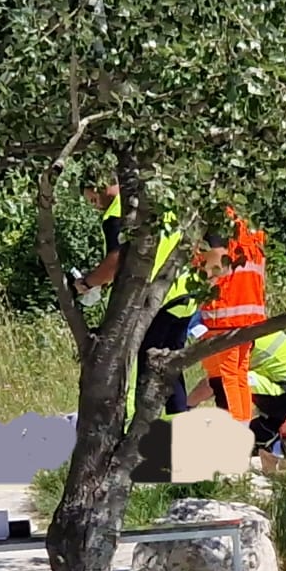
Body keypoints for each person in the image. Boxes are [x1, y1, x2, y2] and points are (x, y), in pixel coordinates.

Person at [78, 175, 199, 421]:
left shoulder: (118, 213)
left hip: (155, 299)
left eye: (92, 199)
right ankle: (179, 427)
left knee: (137, 367)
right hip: (185, 293)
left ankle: (132, 430)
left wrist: (86, 283)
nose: (95, 206)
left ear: (102, 185)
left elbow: (115, 260)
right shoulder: (156, 202)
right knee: (171, 366)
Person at [193, 206, 268, 425]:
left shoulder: (217, 220)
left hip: (222, 316)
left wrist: (196, 296)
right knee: (238, 376)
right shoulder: (249, 230)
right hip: (249, 317)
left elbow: (215, 263)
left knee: (224, 380)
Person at [188, 330, 286, 453]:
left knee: (228, 380)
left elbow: (212, 383)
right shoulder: (250, 327)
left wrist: (186, 406)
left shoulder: (234, 340)